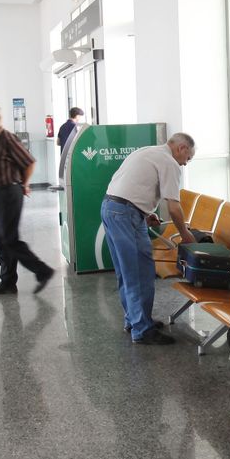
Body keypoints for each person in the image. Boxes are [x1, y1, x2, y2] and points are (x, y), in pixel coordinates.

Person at [100, 132, 195, 345]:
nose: (185, 164)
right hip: (125, 214)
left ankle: (135, 320)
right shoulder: (170, 162)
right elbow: (174, 207)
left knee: (131, 271)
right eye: (187, 159)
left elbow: (131, 185)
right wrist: (186, 234)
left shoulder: (148, 151)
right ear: (181, 148)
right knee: (137, 272)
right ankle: (142, 330)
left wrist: (143, 212)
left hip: (113, 209)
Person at [0, 102, 55, 296]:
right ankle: (7, 282)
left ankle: (42, 271)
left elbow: (29, 162)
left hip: (9, 193)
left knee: (9, 239)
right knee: (0, 240)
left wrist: (24, 183)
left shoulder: (7, 138)